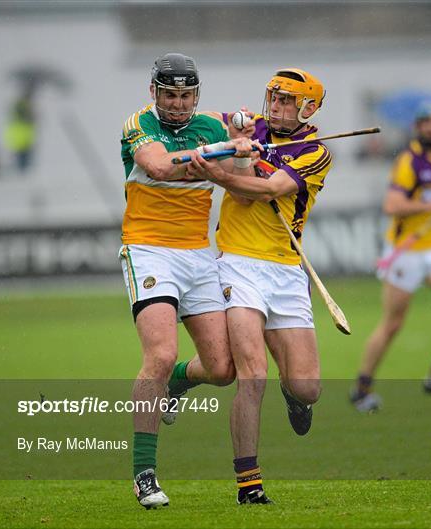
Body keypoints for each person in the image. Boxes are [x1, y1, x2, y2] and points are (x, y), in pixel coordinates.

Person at [185, 68, 332, 504]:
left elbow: (267, 190)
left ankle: (296, 397)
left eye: (287, 101)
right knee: (252, 375)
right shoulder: (258, 126)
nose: (277, 106)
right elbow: (204, 116)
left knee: (307, 387)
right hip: (237, 264)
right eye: (274, 98)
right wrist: (235, 128)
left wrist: (219, 174)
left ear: (307, 108)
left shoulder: (317, 152)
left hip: (286, 271)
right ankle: (249, 485)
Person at [119, 52, 252, 509]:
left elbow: (240, 185)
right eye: (169, 94)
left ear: (197, 94)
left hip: (198, 256)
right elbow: (158, 167)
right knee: (160, 352)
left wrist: (244, 146)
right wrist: (217, 151)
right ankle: (144, 474)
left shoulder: (215, 127)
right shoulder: (139, 123)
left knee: (221, 369)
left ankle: (178, 383)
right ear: (153, 92)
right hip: (148, 248)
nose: (178, 104)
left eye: (186, 95)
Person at [349, 102, 431, 412]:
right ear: (417, 127)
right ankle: (362, 389)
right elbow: (393, 206)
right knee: (393, 324)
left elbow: (430, 201)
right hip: (405, 251)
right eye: (426, 122)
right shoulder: (409, 162)